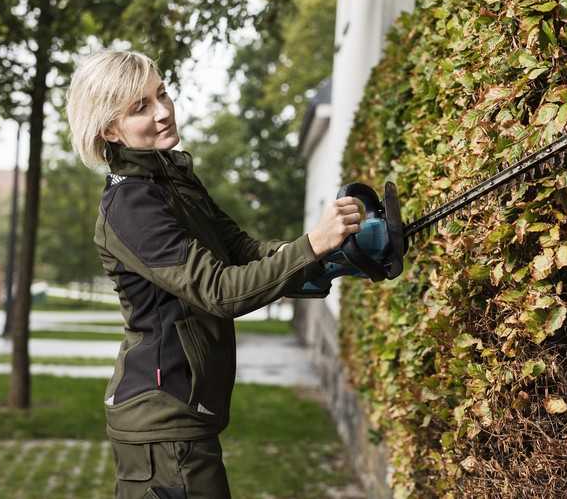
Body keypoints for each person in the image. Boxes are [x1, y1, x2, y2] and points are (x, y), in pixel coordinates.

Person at [65, 50, 362, 499]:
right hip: (162, 425)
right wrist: (312, 246)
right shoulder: (131, 206)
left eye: (161, 94)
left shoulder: (172, 179)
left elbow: (241, 252)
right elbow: (219, 290)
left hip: (180, 419)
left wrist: (332, 254)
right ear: (110, 128)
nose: (163, 111)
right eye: (140, 107)